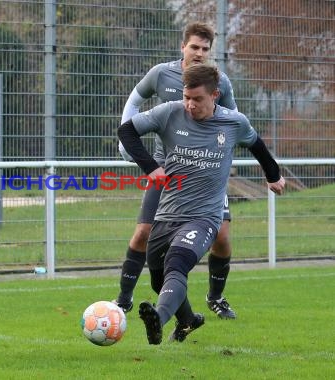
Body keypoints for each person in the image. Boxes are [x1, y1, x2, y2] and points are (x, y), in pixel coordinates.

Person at [117, 63, 285, 344]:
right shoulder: (169, 112)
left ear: (215, 95)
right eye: (186, 97)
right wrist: (150, 167)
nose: (189, 105)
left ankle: (158, 318)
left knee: (177, 264)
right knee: (159, 281)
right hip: (167, 213)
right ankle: (188, 320)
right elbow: (126, 131)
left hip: (205, 217)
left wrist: (273, 175)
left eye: (197, 99)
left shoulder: (234, 122)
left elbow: (257, 145)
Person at [115, 22, 239, 319]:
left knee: (222, 237)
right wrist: (128, 148)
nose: (199, 53)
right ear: (183, 46)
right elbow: (135, 99)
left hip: (205, 177)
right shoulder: (161, 73)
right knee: (143, 233)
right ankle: (123, 300)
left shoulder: (219, 83)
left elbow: (232, 121)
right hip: (166, 170)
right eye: (194, 47)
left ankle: (216, 297)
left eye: (205, 49)